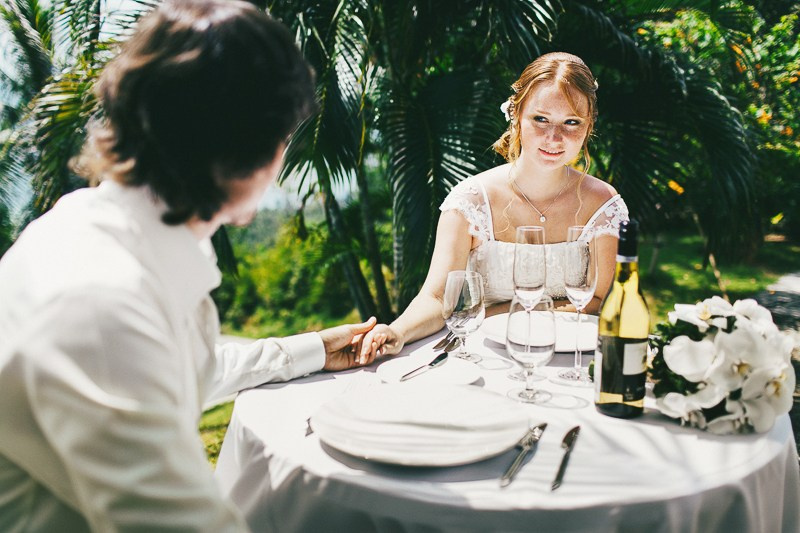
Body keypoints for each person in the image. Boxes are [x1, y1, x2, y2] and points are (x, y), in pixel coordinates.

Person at [0, 1, 381, 531]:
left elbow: (169, 368)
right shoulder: (100, 303)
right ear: (253, 147)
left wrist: (312, 349)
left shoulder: (104, 228)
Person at [361, 52, 628, 359]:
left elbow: (598, 300)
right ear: (516, 115)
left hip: (573, 359)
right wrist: (397, 331)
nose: (554, 138)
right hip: (486, 358)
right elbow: (437, 297)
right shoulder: (470, 202)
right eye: (540, 119)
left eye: (571, 122)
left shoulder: (603, 205)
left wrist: (496, 313)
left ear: (588, 125)